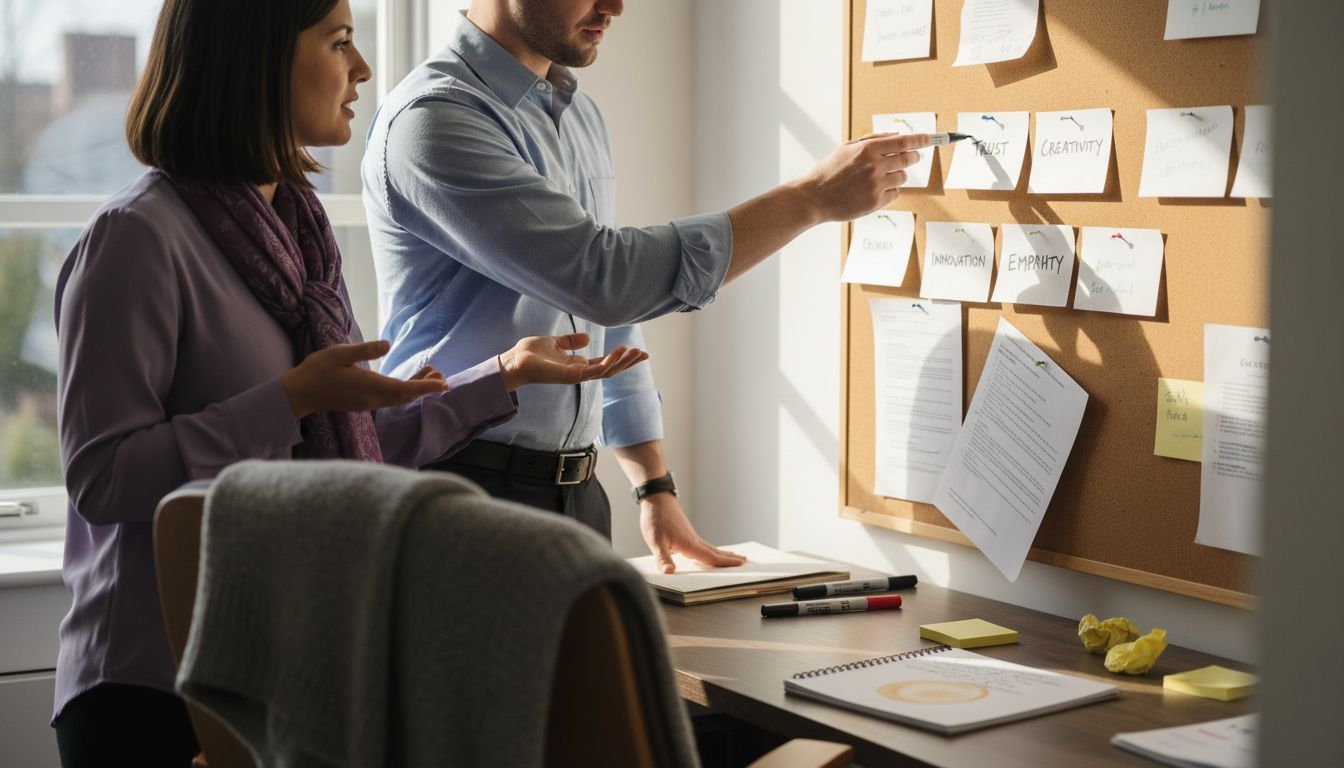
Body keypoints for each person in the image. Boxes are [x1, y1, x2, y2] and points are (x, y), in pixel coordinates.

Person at [50, 0, 645, 765]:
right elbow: (104, 479)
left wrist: (499, 378)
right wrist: (292, 397)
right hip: (149, 690)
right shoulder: (135, 239)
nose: (362, 69)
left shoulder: (297, 236)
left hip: (272, 675)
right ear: (254, 61)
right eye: (339, 43)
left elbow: (333, 454)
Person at [361, 0, 928, 572]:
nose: (616, 6)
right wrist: (809, 199)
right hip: (457, 491)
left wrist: (653, 485)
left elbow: (604, 317)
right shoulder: (432, 119)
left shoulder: (577, 113)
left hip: (578, 496)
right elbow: (606, 279)